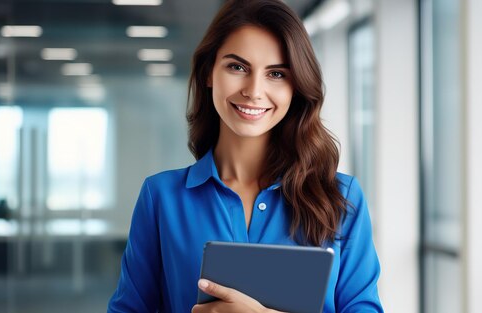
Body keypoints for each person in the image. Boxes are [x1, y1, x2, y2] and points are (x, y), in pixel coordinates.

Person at [108, 0, 383, 312]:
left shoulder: (341, 198)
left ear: (296, 86)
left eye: (276, 73)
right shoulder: (161, 198)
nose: (254, 90)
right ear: (209, 72)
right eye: (237, 67)